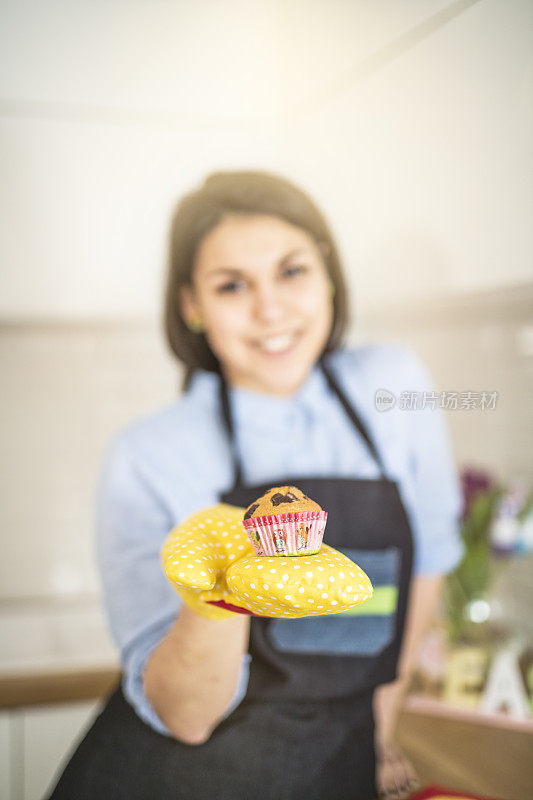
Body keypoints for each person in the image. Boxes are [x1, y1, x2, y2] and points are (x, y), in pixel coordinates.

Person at [48, 170, 463, 800]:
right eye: (232, 285)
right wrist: (224, 582)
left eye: (292, 271)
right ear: (192, 303)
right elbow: (186, 716)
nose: (270, 309)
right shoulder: (149, 455)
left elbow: (428, 560)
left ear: (328, 274)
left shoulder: (391, 387)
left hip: (337, 765)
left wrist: (378, 729)